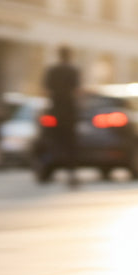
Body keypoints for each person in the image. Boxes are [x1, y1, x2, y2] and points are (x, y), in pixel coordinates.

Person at [42, 45, 82, 186]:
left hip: (55, 110)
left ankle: (47, 170)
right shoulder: (72, 70)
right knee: (70, 144)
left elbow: (46, 90)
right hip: (69, 111)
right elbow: (77, 91)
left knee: (52, 140)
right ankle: (71, 173)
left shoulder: (52, 70)